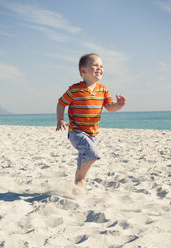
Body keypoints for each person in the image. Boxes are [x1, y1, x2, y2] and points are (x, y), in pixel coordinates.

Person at [56, 53, 126, 194]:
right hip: (76, 132)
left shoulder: (103, 90)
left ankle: (77, 190)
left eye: (101, 66)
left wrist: (118, 105)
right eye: (95, 65)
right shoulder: (74, 89)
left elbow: (110, 108)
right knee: (93, 154)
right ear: (83, 70)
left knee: (82, 164)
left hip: (93, 134)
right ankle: (82, 178)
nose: (99, 68)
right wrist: (60, 120)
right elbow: (61, 103)